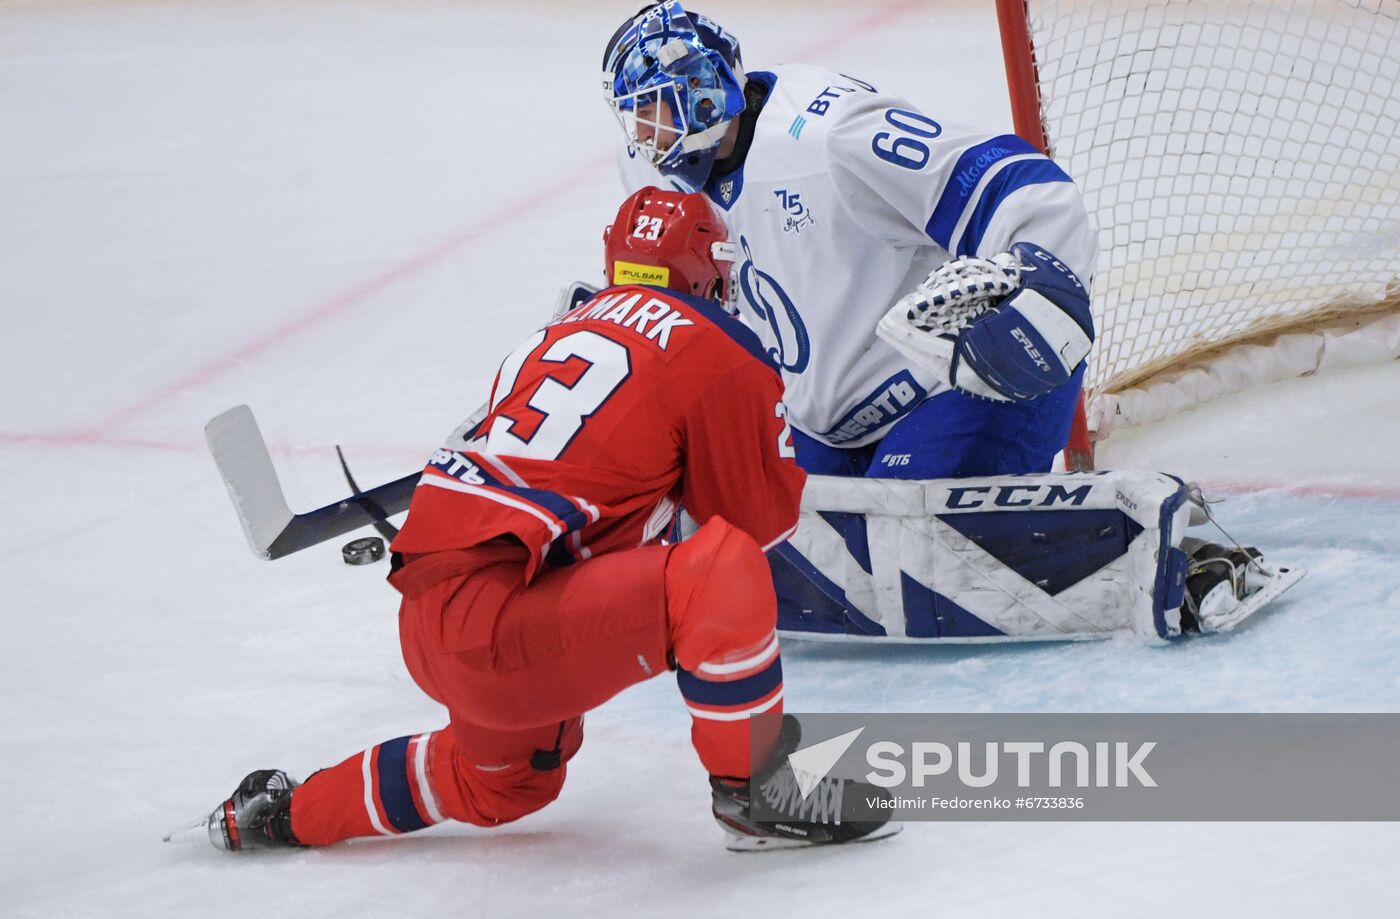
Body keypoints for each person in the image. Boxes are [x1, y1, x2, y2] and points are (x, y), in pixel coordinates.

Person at [191, 188, 896, 853]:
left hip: (432, 618)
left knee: (505, 781)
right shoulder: (716, 341)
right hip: (504, 626)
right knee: (719, 570)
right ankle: (757, 792)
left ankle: (285, 814)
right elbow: (754, 522)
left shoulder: (548, 336)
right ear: (708, 273)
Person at [602, 2, 1098, 482]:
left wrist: (1045, 293)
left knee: (905, 556)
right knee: (743, 533)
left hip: (958, 385)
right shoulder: (655, 168)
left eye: (653, 110)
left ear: (701, 91)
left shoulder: (827, 136)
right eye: (635, 117)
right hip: (821, 423)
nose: (645, 135)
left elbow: (1021, 182)